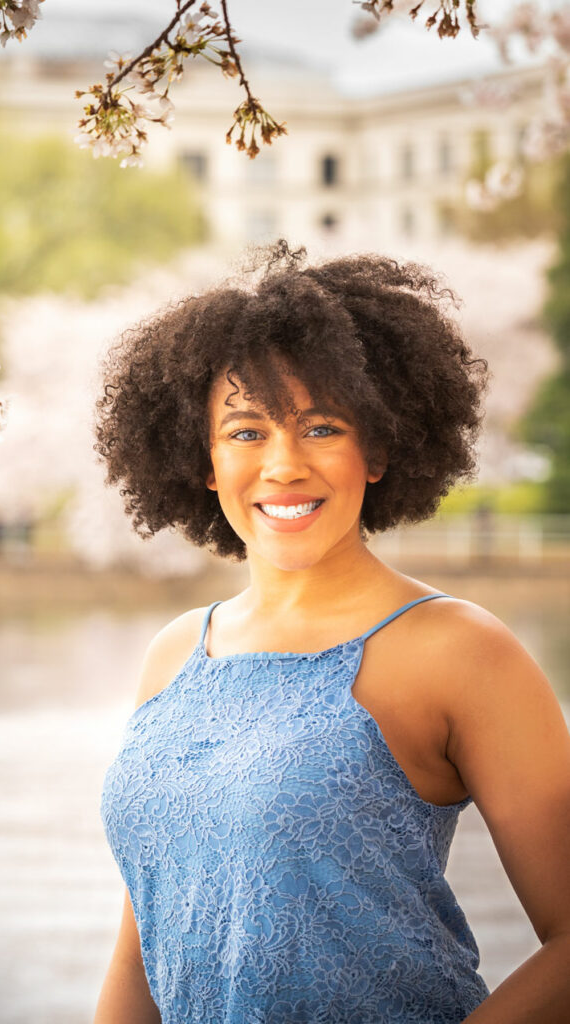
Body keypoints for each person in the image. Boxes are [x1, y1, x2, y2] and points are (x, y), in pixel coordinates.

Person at [91, 246, 570, 1023]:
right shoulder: (174, 652)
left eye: (320, 427)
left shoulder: (459, 651)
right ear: (203, 460)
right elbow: (138, 944)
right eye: (245, 432)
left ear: (377, 448)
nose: (282, 465)